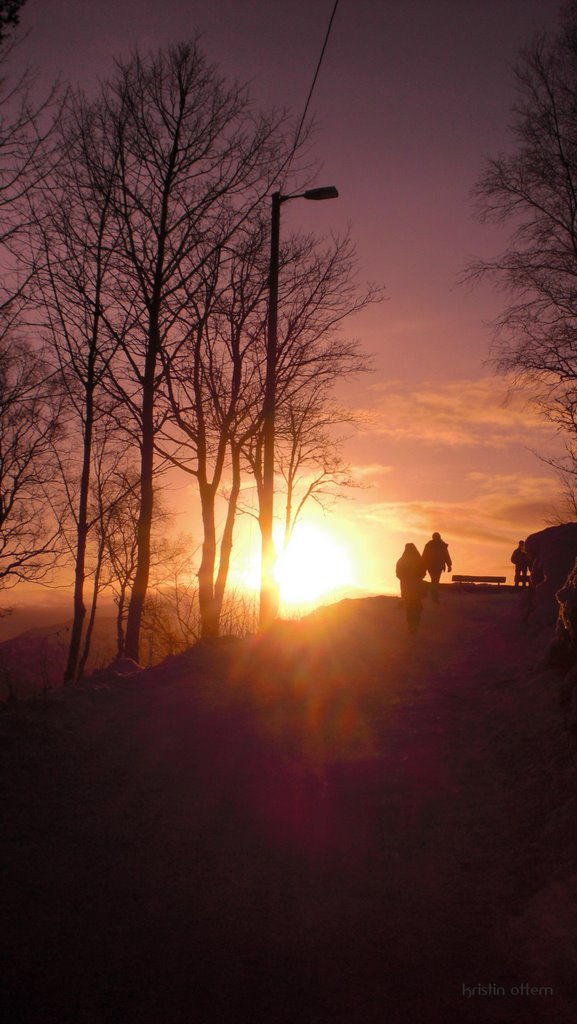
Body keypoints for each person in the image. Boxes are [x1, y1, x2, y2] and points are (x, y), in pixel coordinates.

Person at [396, 543, 427, 634]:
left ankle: (411, 626)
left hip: (406, 587)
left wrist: (405, 578)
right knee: (417, 606)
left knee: (409, 607)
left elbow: (398, 574)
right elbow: (423, 572)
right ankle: (415, 625)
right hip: (417, 587)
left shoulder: (401, 560)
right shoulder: (419, 560)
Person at [422, 532, 452, 603]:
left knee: (434, 580)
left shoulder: (429, 545)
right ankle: (434, 596)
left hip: (431, 566)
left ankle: (434, 595)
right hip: (437, 566)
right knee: (435, 580)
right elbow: (446, 555)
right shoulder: (441, 545)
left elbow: (424, 556)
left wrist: (423, 566)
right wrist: (449, 565)